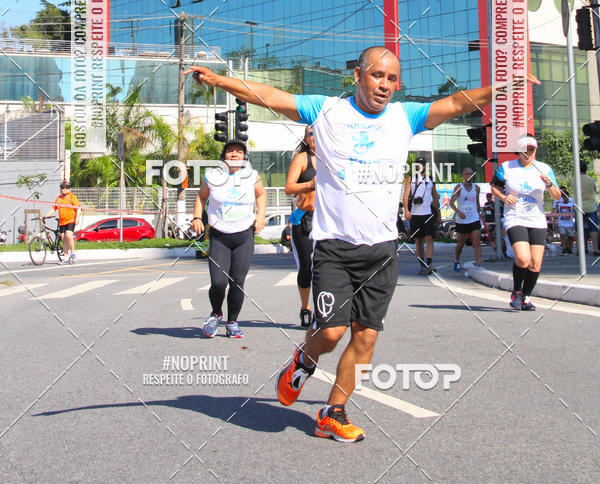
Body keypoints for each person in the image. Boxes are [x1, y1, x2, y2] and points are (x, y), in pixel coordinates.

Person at [187, 47, 531, 442]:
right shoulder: (326, 110)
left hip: (382, 251)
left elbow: (456, 102)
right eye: (377, 75)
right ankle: (305, 357)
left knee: (366, 337)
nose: (384, 85)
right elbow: (267, 95)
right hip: (335, 247)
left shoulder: (407, 116)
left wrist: (505, 87)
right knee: (331, 334)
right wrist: (219, 80)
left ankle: (333, 412)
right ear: (357, 75)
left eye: (392, 78)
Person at [191, 139, 266, 338]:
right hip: (219, 237)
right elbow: (201, 197)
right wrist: (197, 217)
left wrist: (260, 215)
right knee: (218, 282)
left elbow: (261, 195)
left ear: (244, 157)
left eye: (238, 152)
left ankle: (232, 321)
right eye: (230, 151)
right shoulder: (213, 176)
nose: (234, 155)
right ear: (224, 156)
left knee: (237, 281)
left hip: (244, 236)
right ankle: (215, 314)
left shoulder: (252, 176)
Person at [491, 134, 561, 310]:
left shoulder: (544, 169)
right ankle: (516, 291)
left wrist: (550, 184)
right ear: (519, 151)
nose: (528, 153)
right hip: (515, 217)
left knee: (535, 263)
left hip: (537, 219)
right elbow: (494, 187)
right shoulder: (507, 167)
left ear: (535, 150)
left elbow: (557, 195)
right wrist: (504, 197)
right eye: (525, 150)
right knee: (523, 259)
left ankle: (526, 297)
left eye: (532, 150)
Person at [285, 125, 317, 328]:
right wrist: (309, 185)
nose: (315, 137)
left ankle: (324, 309)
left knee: (327, 268)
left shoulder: (333, 157)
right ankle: (305, 308)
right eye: (311, 134)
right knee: (306, 268)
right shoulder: (302, 159)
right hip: (304, 219)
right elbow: (289, 188)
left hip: (329, 220)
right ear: (306, 139)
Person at [402, 158, 440, 274]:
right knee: (418, 239)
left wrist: (439, 214)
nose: (420, 166)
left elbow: (435, 196)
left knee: (429, 237)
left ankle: (429, 262)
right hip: (415, 213)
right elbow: (406, 194)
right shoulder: (411, 179)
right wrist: (406, 210)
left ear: (425, 166)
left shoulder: (430, 179)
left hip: (428, 212)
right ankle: (422, 263)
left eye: (422, 164)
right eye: (418, 164)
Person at [449, 168, 481, 271]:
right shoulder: (459, 187)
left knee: (476, 240)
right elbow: (451, 202)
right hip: (462, 220)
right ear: (463, 175)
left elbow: (477, 202)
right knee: (461, 243)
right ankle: (457, 259)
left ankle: (478, 262)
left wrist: (479, 212)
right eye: (467, 174)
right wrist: (458, 212)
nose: (469, 176)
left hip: (474, 218)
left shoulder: (476, 188)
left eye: (471, 174)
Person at [43, 181, 81, 263]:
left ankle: (73, 253)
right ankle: (66, 256)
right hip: (62, 222)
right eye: (63, 188)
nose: (64, 189)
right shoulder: (59, 198)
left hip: (70, 220)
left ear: (69, 188)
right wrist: (45, 216)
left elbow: (78, 208)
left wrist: (77, 218)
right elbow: (53, 209)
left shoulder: (72, 197)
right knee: (63, 238)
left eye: (66, 187)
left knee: (68, 236)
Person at [570, 160, 600, 255]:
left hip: (579, 207)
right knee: (593, 229)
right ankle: (595, 249)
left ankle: (580, 249)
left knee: (579, 229)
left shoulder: (574, 179)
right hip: (591, 207)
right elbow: (595, 190)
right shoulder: (591, 179)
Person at [554, 187, 575, 254]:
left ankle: (570, 248)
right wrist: (554, 220)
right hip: (561, 223)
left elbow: (574, 211)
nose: (565, 198)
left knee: (570, 237)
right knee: (562, 235)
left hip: (569, 223)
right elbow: (556, 212)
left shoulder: (572, 204)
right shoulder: (559, 204)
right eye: (564, 197)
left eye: (566, 197)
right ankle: (564, 248)